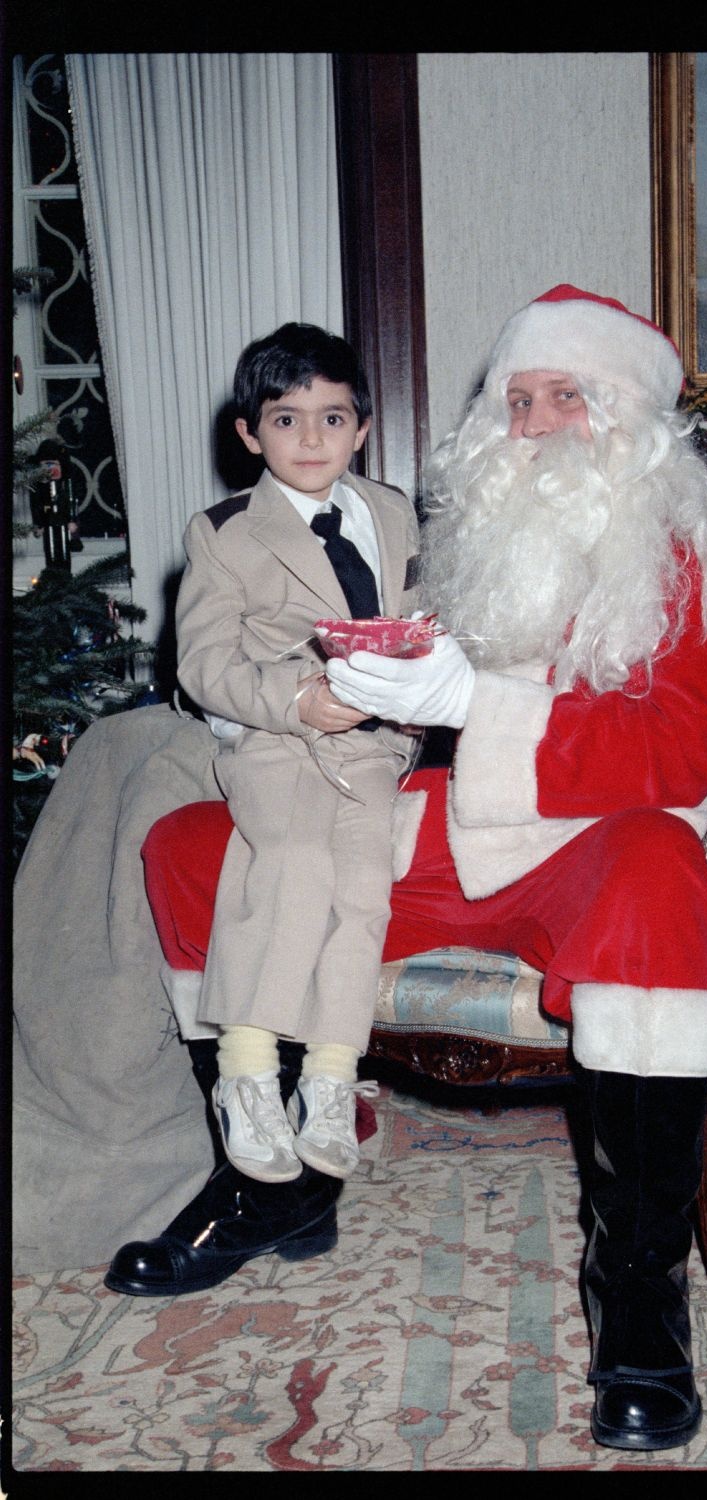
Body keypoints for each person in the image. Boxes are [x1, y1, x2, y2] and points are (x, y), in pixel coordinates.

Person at [106, 286, 707, 1453]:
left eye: (563, 396)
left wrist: (479, 700)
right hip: (446, 826)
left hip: (596, 835)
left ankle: (635, 1291)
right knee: (191, 852)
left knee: (657, 886)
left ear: (625, 413)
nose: (531, 423)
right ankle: (274, 1178)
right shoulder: (465, 538)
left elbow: (683, 743)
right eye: (516, 399)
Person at [170, 321, 420, 1186]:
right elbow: (202, 662)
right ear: (248, 434)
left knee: (362, 888)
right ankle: (244, 1074)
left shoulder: (390, 511)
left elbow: (424, 617)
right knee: (295, 860)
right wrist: (294, 699)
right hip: (276, 739)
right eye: (285, 419)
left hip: (374, 748)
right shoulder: (224, 532)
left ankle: (329, 1078)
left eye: (330, 417)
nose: (310, 439)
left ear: (361, 427)